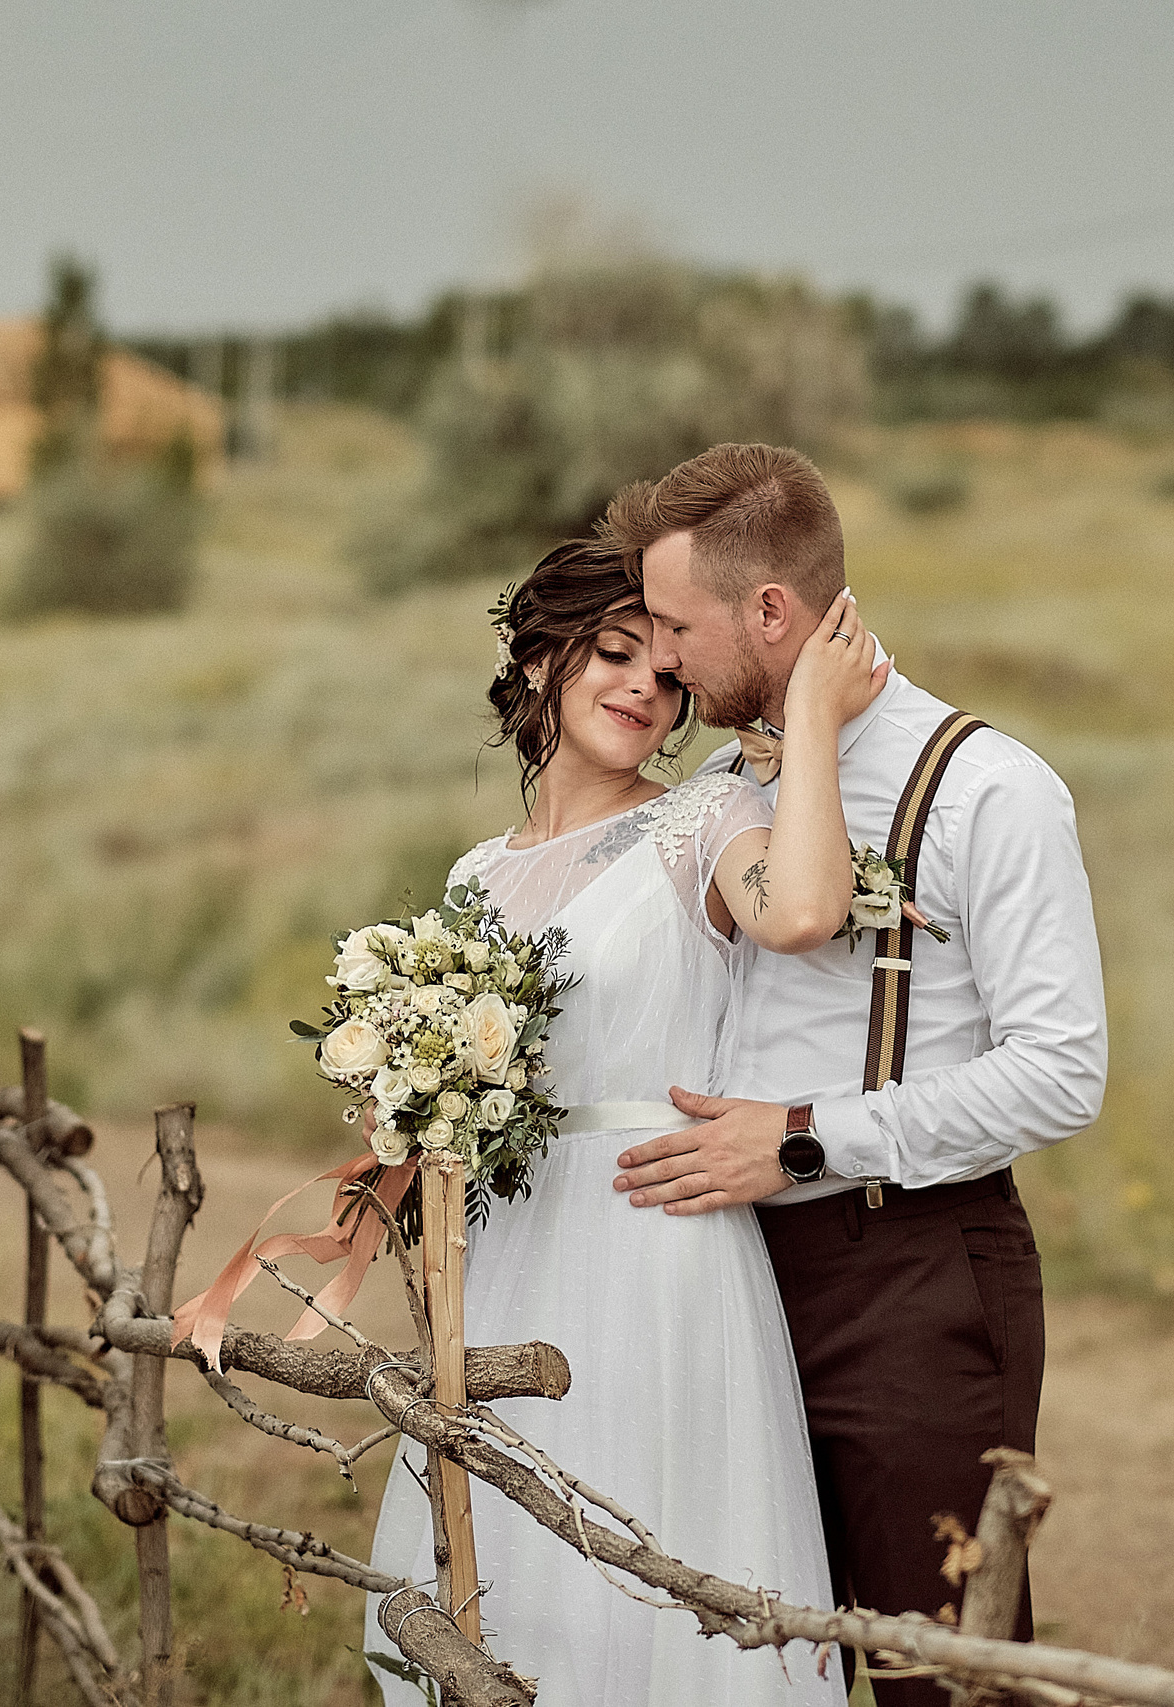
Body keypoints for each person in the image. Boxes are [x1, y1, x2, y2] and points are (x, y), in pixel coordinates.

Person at [599, 443, 1109, 1706]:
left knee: (933, 1674)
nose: (662, 661)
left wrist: (808, 1138)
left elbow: (1062, 1072)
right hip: (727, 1295)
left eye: (676, 626)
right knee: (753, 1669)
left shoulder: (990, 790)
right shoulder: (724, 788)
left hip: (913, 1282)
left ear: (772, 612)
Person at [365, 536, 882, 1705]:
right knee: (507, 1566)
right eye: (611, 654)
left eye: (667, 674)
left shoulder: (704, 825)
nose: (643, 690)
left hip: (658, 1242)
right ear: (539, 658)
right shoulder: (472, 878)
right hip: (507, 1254)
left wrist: (805, 721)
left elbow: (802, 909)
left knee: (653, 1560)